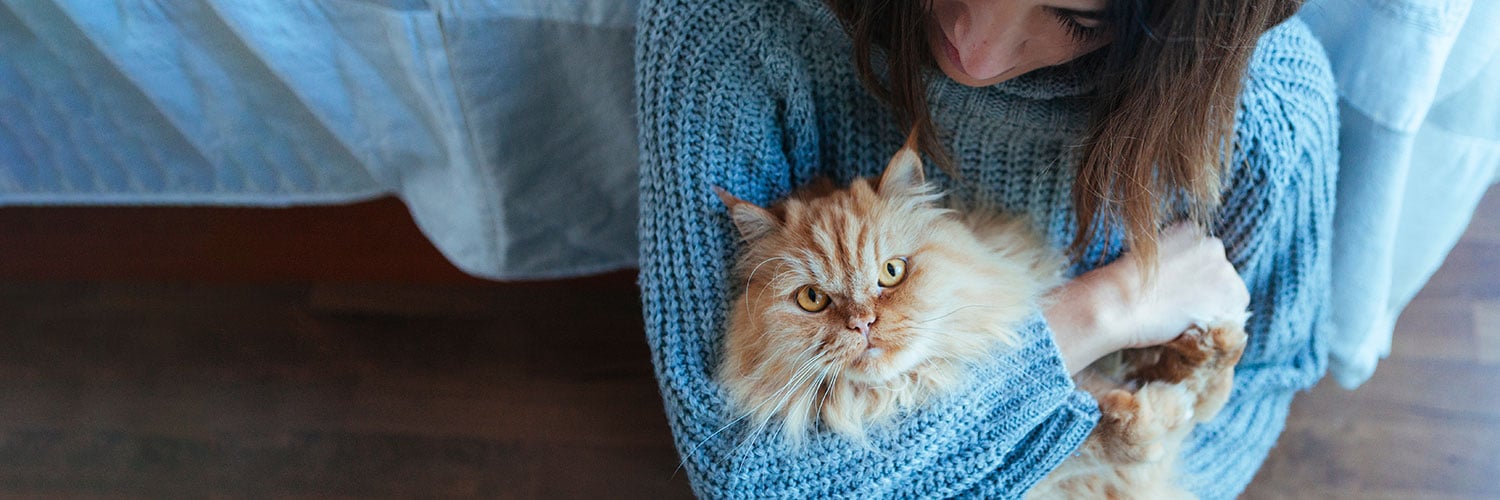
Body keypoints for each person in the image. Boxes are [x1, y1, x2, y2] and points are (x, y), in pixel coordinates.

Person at [635, 0, 1337, 497]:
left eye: (1075, 17)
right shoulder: (729, 23)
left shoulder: (1266, 107)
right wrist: (1094, 314)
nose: (975, 50)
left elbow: (1267, 374)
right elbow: (744, 479)